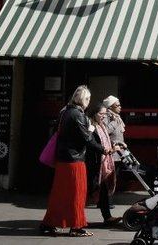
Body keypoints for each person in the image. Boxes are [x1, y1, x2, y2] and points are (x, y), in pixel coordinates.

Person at [39, 85, 96, 237]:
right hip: (74, 161)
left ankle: (49, 223)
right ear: (82, 99)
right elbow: (86, 138)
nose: (89, 102)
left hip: (63, 159)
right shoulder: (78, 114)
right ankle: (76, 226)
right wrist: (91, 129)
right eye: (87, 98)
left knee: (60, 193)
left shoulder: (64, 112)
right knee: (77, 193)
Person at [86, 102, 121, 225]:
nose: (103, 116)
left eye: (105, 114)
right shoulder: (91, 126)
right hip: (94, 162)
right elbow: (89, 141)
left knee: (103, 190)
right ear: (94, 114)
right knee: (92, 190)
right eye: (101, 114)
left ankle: (107, 217)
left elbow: (106, 139)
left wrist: (114, 144)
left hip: (103, 162)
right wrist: (105, 150)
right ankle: (75, 217)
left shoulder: (102, 125)